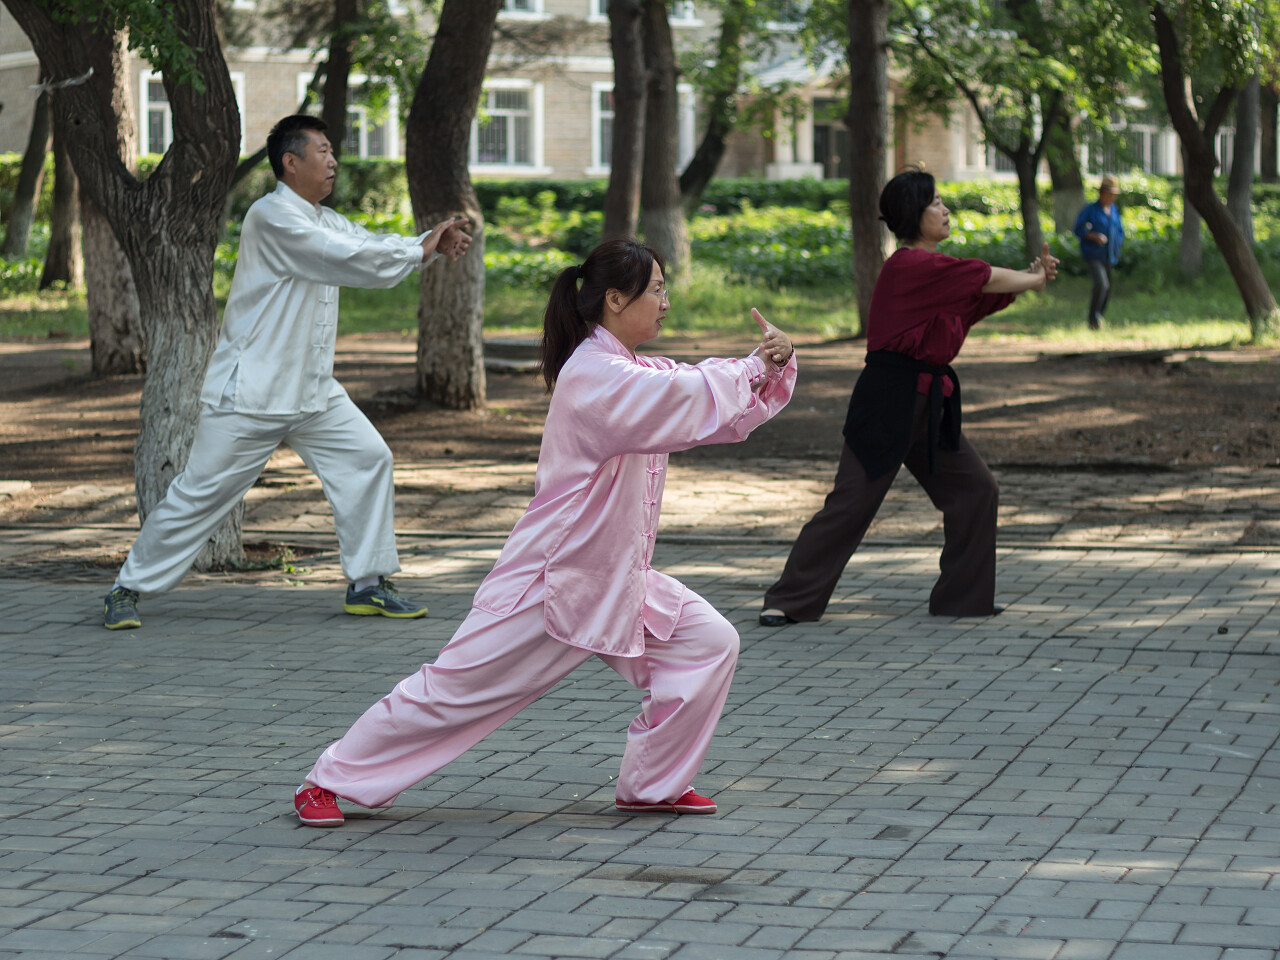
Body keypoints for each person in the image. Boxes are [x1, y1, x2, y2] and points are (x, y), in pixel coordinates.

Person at [292, 238, 797, 826]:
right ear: (614, 298)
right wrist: (755, 365)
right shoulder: (594, 374)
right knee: (453, 690)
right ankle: (326, 780)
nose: (666, 301)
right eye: (657, 289)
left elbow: (700, 397)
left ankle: (653, 785)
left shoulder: (627, 368)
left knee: (707, 644)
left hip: (612, 574)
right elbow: (683, 398)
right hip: (553, 577)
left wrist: (770, 366)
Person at [102, 114, 472, 630]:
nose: (333, 160)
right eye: (322, 150)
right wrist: (419, 247)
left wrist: (426, 247)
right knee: (199, 494)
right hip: (251, 392)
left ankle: (367, 584)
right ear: (290, 163)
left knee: (368, 459)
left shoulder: (325, 219)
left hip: (312, 390)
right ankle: (127, 588)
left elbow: (363, 246)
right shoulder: (271, 216)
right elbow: (342, 257)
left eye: (332, 151)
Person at [758, 167, 1058, 628]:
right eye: (935, 202)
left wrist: (1029, 279)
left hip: (929, 401)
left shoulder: (937, 273)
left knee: (976, 490)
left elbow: (978, 295)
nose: (945, 209)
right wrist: (1031, 279)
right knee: (852, 502)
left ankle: (964, 597)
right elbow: (980, 278)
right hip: (889, 398)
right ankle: (789, 599)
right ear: (913, 214)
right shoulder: (911, 266)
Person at [1073, 174, 1124, 330]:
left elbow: (1119, 231)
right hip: (1093, 254)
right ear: (1103, 193)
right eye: (1111, 194)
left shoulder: (1114, 210)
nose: (1113, 197)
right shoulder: (1090, 210)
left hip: (1109, 255)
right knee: (1101, 284)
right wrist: (1094, 236)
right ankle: (1093, 318)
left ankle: (1098, 317)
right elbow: (1078, 228)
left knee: (1107, 288)